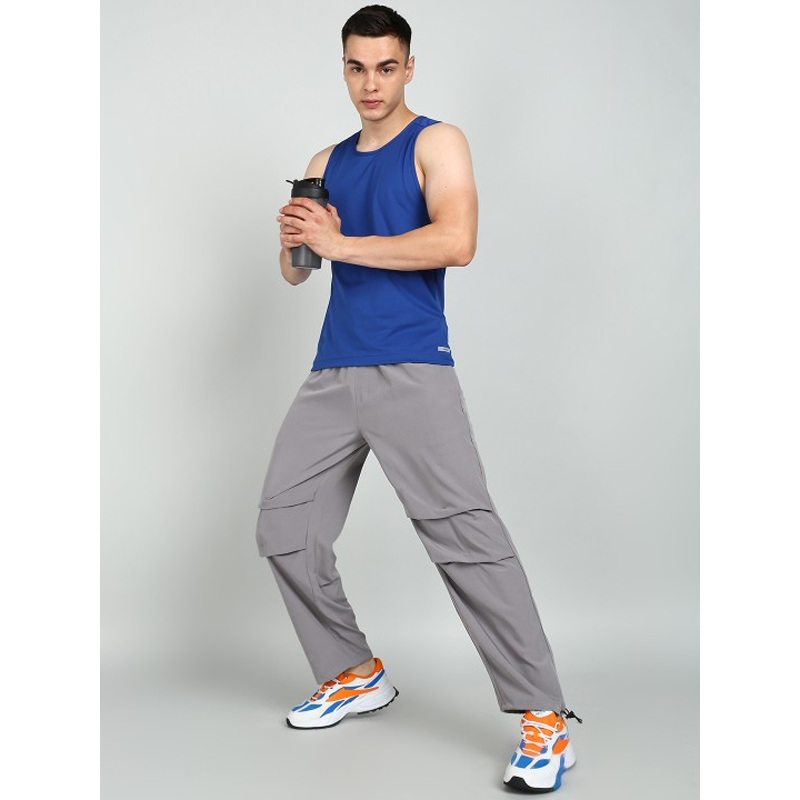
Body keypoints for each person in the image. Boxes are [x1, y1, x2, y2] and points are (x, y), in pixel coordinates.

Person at [257, 5, 582, 792]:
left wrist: (341, 242)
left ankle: (544, 716)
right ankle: (353, 670)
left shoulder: (437, 142)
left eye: (385, 67)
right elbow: (299, 274)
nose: (370, 83)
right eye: (356, 67)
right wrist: (297, 239)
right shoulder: (326, 158)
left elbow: (456, 241)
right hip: (333, 371)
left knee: (466, 539)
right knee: (284, 528)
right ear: (343, 70)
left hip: (412, 368)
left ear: (408, 68)